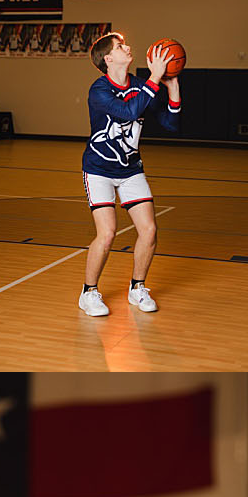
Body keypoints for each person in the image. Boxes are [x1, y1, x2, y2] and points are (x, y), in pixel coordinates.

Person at [79, 31, 181, 316]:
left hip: (130, 168)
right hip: (98, 169)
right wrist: (155, 78)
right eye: (120, 46)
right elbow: (127, 112)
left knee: (149, 230)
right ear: (108, 58)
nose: (128, 47)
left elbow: (171, 125)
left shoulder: (141, 85)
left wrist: (171, 88)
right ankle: (89, 293)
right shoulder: (99, 90)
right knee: (108, 233)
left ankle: (137, 288)